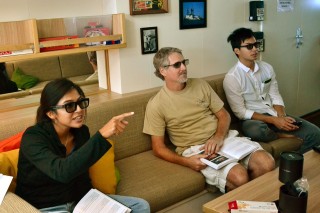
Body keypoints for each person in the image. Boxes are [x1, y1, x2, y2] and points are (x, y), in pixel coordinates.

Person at [143, 47, 275, 193]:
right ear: (163, 71)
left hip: (223, 139)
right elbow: (158, 148)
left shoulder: (200, 85)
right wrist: (186, 162)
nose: (183, 68)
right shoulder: (156, 104)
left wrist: (218, 137)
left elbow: (224, 115)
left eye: (184, 62)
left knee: (266, 162)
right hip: (196, 149)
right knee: (240, 177)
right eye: (177, 65)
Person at [15, 78, 150, 213]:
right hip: (45, 206)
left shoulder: (81, 132)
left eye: (81, 102)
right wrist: (101, 135)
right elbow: (62, 172)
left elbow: (81, 173)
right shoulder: (33, 137)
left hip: (79, 201)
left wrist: (97, 202)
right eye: (70, 106)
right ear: (51, 113)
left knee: (140, 206)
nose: (79, 110)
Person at [224, 27, 320, 154]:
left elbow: (274, 94)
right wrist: (274, 121)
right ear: (237, 51)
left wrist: (281, 116)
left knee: (315, 132)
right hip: (253, 120)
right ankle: (279, 135)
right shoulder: (232, 78)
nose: (255, 49)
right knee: (256, 130)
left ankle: (294, 161)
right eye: (249, 46)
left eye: (255, 44)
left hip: (272, 112)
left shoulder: (267, 68)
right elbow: (240, 112)